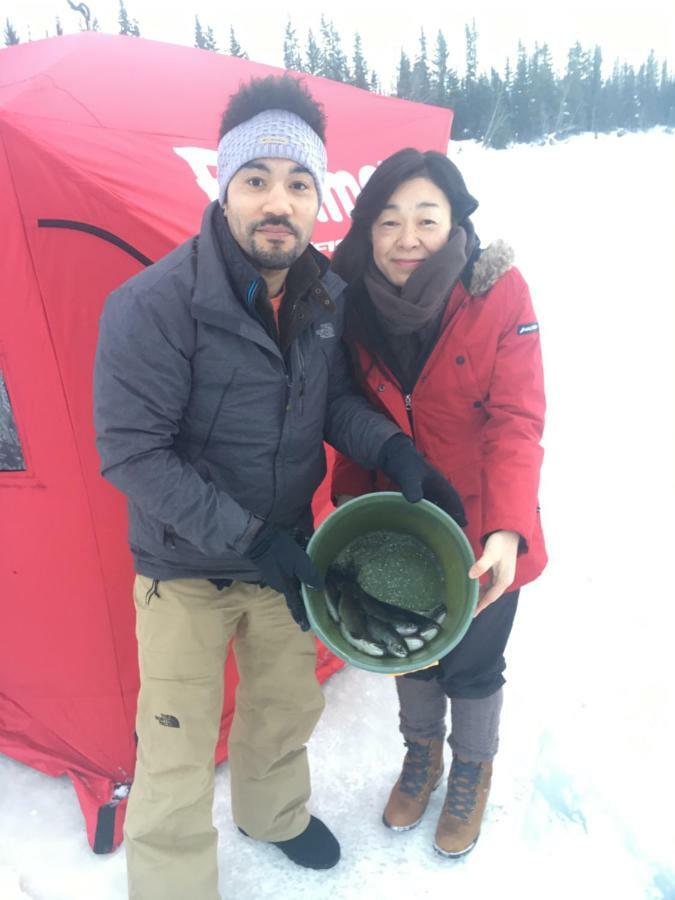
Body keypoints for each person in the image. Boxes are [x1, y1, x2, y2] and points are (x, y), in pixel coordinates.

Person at [94, 79, 465, 900]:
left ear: (315, 199)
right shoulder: (151, 306)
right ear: (222, 186)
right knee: (178, 744)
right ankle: (172, 885)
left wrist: (396, 451)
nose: (279, 202)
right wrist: (250, 539)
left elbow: (331, 400)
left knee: (283, 711)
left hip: (288, 556)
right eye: (257, 179)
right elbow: (132, 455)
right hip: (184, 567)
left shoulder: (324, 294)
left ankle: (273, 816)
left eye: (298, 183)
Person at [330, 148, 547, 859]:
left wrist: (509, 529)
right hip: (395, 516)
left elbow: (517, 419)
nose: (406, 237)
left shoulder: (499, 292)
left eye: (426, 216)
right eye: (388, 220)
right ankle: (420, 753)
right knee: (411, 653)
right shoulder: (347, 299)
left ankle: (471, 770)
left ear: (455, 222)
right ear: (367, 229)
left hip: (482, 521)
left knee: (474, 662)